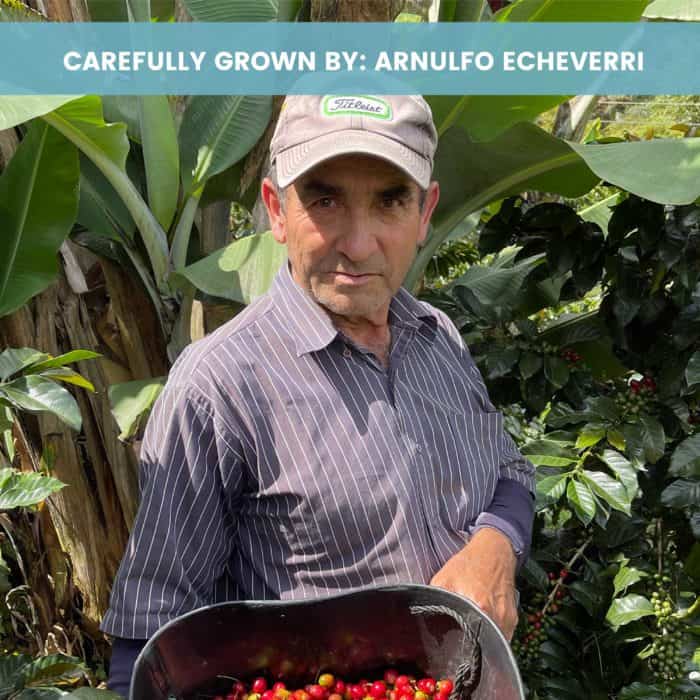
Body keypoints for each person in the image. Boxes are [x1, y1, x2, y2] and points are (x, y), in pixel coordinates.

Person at [101, 94, 535, 697]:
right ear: (276, 209)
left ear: (426, 211)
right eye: (325, 199)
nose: (358, 245)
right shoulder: (219, 386)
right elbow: (150, 640)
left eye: (390, 200)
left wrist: (495, 546)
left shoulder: (438, 337)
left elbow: (508, 469)